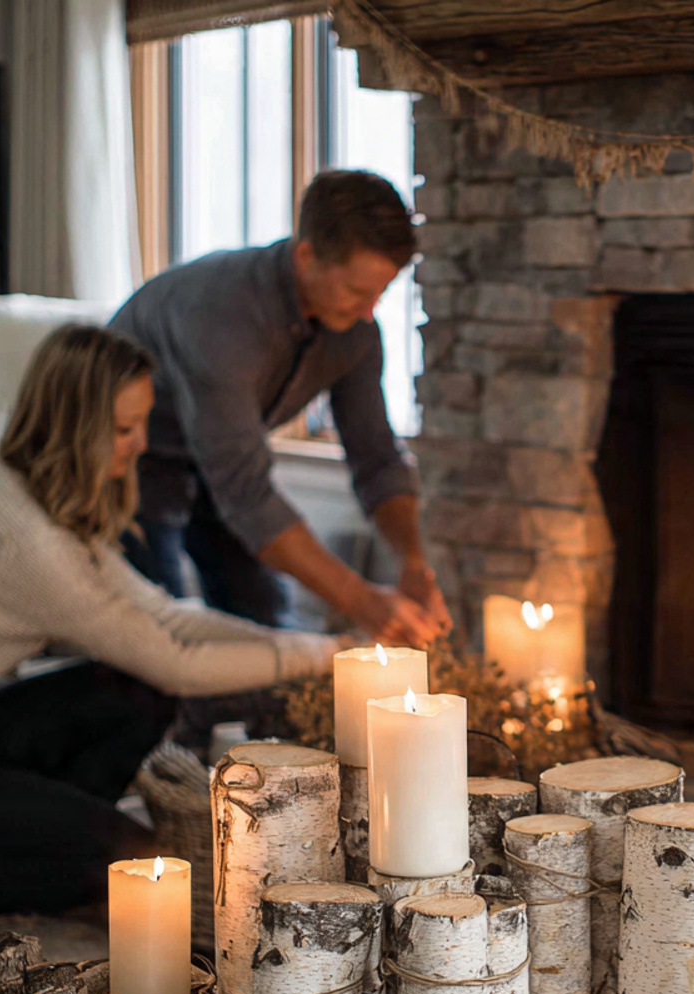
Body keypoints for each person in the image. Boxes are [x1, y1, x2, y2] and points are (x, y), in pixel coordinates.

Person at [0, 324, 342, 918]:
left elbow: (164, 616)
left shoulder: (18, 464)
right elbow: (177, 664)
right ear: (72, 427)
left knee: (129, 693)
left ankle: (33, 827)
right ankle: (27, 845)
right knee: (131, 855)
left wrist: (314, 646)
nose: (141, 444)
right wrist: (328, 656)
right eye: (123, 429)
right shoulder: (29, 541)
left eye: (142, 422)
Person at [112, 168, 450, 647]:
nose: (369, 311)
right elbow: (248, 495)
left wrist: (414, 562)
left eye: (382, 292)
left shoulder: (355, 330)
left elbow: (376, 458)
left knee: (267, 621)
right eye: (358, 291)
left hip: (219, 462)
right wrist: (360, 600)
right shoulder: (223, 318)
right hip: (126, 461)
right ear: (306, 256)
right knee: (155, 633)